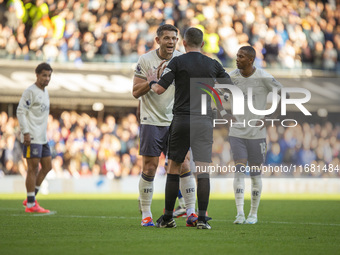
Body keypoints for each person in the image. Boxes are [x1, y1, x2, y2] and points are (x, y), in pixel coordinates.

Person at [148, 27, 232, 229]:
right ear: (202, 44)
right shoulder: (213, 64)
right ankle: (202, 219)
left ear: (183, 43)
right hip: (203, 121)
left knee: (174, 168)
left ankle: (168, 217)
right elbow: (230, 93)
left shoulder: (176, 62)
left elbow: (159, 89)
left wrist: (152, 80)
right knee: (203, 170)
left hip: (182, 120)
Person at [132, 24, 197, 227]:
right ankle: (146, 215)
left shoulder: (182, 60)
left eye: (174, 38)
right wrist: (151, 82)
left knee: (185, 164)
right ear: (158, 40)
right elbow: (135, 91)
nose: (171, 42)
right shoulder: (145, 60)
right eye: (167, 38)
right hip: (151, 120)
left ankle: (191, 212)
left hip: (176, 120)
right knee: (150, 168)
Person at [228, 46, 283, 224]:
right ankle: (239, 213)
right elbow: (216, 95)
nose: (237, 59)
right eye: (237, 56)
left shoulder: (264, 77)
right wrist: (223, 115)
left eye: (241, 56)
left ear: (251, 60)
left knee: (255, 174)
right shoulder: (231, 77)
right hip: (236, 132)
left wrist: (269, 118)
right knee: (238, 170)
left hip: (257, 133)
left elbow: (283, 94)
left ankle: (253, 214)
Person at [17, 62, 53, 213]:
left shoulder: (45, 92)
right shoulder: (30, 91)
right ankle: (31, 204)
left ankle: (31, 198)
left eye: (49, 75)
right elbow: (20, 111)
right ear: (37, 75)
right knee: (32, 168)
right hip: (31, 136)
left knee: (47, 166)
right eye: (44, 75)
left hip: (42, 137)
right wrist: (25, 132)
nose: (47, 78)